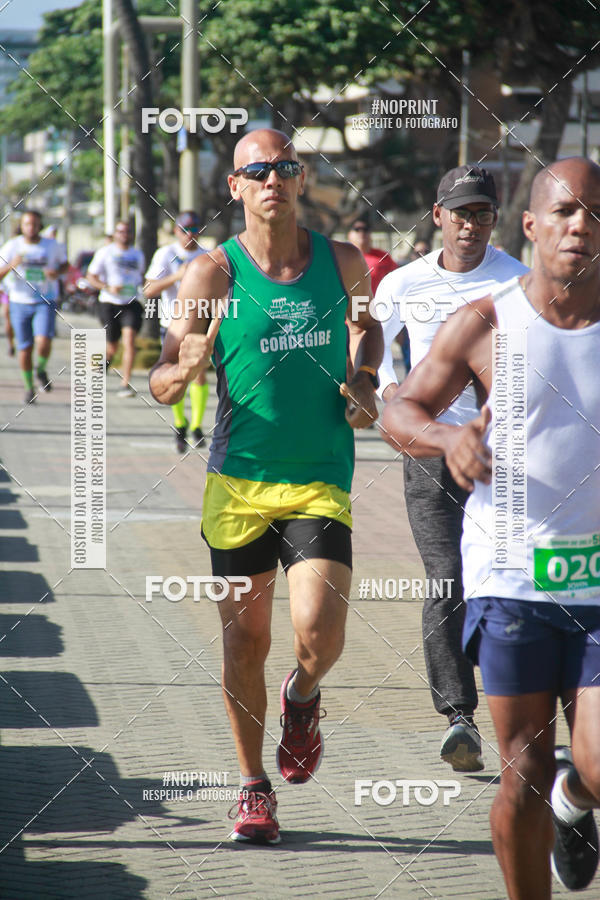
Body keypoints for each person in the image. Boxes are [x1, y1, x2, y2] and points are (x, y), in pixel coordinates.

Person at [150, 128, 382, 845]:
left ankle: (303, 696)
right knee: (244, 642)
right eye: (258, 171)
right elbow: (163, 376)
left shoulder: (344, 262)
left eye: (284, 168)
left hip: (318, 478)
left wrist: (366, 376)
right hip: (240, 484)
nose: (272, 180)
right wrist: (180, 374)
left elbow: (368, 328)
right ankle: (253, 787)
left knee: (319, 631)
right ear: (237, 186)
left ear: (301, 176)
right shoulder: (211, 276)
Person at [382, 156, 600, 899]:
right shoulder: (486, 321)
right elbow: (398, 409)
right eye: (566, 212)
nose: (581, 226)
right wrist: (450, 440)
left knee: (595, 764)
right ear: (532, 226)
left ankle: (580, 802)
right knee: (525, 768)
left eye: (595, 213)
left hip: (598, 576)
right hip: (512, 574)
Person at [376, 165, 528, 772]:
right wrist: (391, 394)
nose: (470, 225)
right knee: (446, 577)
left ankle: (527, 711)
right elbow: (374, 342)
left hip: (504, 457)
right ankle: (458, 715)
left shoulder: (519, 280)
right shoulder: (404, 282)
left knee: (513, 579)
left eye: (482, 214)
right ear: (437, 216)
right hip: (432, 450)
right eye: (459, 213)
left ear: (496, 219)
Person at [144, 211, 208, 452]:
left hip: (200, 323)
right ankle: (180, 424)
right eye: (184, 229)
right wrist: (177, 276)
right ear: (175, 231)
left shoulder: (206, 256)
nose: (189, 234)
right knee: (177, 375)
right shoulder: (166, 255)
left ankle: (198, 426)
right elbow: (149, 290)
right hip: (172, 325)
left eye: (194, 229)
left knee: (199, 374)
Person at [0, 210, 68, 403]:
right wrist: (11, 265)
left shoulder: (51, 245)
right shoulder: (12, 246)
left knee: (43, 341)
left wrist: (56, 272)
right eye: (27, 224)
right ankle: (29, 388)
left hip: (44, 300)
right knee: (25, 348)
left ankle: (41, 369)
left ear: (40, 225)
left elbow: (65, 265)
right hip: (19, 301)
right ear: (21, 226)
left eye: (34, 224)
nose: (31, 228)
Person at [86, 220, 145, 398]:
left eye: (127, 231)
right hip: (109, 303)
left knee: (129, 342)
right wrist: (107, 287)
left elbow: (141, 277)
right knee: (112, 346)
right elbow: (91, 276)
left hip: (131, 303)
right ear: (115, 234)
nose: (124, 235)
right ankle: (105, 363)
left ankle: (125, 383)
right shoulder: (105, 252)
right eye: (121, 231)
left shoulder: (137, 255)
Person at [347, 214, 397, 294]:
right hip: (352, 304)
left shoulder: (383, 256)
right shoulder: (342, 257)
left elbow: (396, 280)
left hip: (377, 303)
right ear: (349, 235)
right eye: (357, 229)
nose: (361, 232)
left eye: (365, 229)